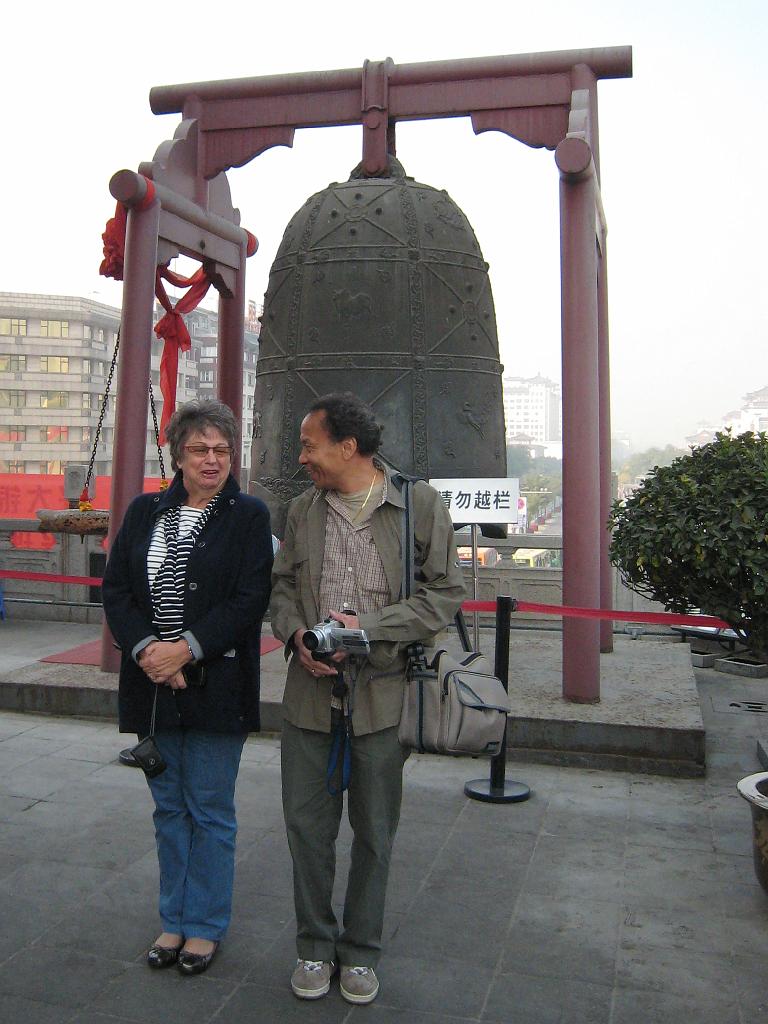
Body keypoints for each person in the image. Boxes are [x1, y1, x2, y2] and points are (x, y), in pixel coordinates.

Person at [270, 392, 464, 1004]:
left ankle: (359, 953)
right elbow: (280, 591)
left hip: (383, 698)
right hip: (309, 698)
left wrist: (367, 628)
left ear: (347, 447)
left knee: (375, 831)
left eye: (309, 444)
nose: (302, 457)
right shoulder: (303, 510)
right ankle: (314, 946)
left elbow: (444, 595)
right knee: (306, 828)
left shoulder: (418, 506)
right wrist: (298, 634)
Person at [102, 398, 273, 975]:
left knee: (210, 809)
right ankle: (173, 917)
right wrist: (150, 650)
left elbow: (249, 598)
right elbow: (118, 590)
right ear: (177, 454)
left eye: (222, 450)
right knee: (168, 808)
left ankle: (205, 925)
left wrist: (188, 647)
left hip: (216, 683)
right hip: (154, 686)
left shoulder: (248, 516)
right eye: (199, 449)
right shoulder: (145, 511)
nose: (212, 460)